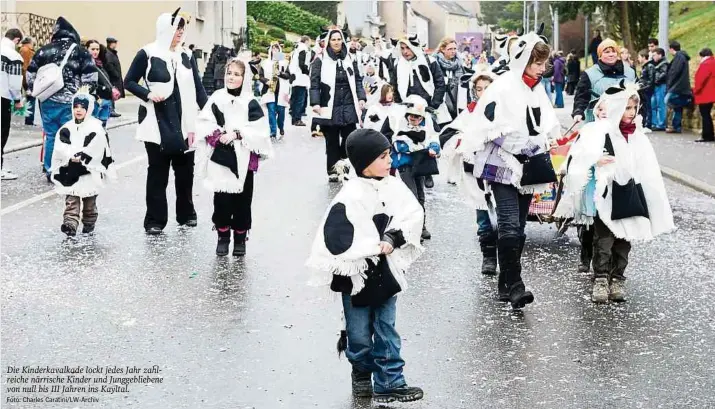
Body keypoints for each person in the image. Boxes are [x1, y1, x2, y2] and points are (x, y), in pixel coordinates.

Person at [306, 128, 425, 404]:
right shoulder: (350, 195)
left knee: (387, 327)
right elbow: (336, 235)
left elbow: (411, 213)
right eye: (383, 156)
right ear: (364, 162)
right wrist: (369, 247)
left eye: (389, 155)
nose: (390, 161)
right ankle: (361, 372)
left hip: (386, 273)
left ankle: (390, 381)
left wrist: (393, 237)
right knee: (359, 332)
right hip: (356, 275)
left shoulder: (394, 186)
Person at [461, 25, 561, 308]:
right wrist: (525, 144)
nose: (542, 69)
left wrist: (547, 140)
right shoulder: (503, 86)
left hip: (530, 167)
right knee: (508, 223)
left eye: (543, 64)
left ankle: (506, 283)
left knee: (518, 225)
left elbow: (545, 124)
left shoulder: (536, 90)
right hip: (502, 164)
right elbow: (493, 127)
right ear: (523, 60)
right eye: (537, 63)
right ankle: (516, 285)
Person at [555, 83, 674, 303]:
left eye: (634, 108)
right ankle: (601, 278)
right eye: (627, 107)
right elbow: (579, 156)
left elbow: (647, 167)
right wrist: (595, 161)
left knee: (625, 238)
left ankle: (618, 277)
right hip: (606, 193)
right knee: (604, 238)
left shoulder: (638, 136)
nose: (631, 113)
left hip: (630, 193)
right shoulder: (601, 132)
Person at [123, 8, 208, 235]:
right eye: (175, 28)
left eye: (182, 28)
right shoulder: (147, 53)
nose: (180, 32)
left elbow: (198, 88)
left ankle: (186, 214)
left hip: (186, 122)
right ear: (164, 29)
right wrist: (147, 94)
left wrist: (212, 112)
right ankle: (155, 220)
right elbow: (129, 81)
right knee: (158, 173)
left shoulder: (186, 55)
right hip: (156, 121)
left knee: (185, 173)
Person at [194, 57, 274, 256]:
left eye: (237, 74)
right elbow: (204, 121)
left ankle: (240, 236)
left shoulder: (250, 102)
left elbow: (261, 130)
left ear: (244, 78)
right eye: (229, 73)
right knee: (221, 199)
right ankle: (222, 235)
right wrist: (217, 136)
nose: (232, 77)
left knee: (242, 201)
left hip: (243, 159)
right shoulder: (216, 98)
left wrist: (238, 134)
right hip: (221, 157)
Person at [571, 38, 636, 273]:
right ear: (599, 55)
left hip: (621, 134)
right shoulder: (589, 74)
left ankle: (613, 262)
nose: (610, 54)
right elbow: (581, 96)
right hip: (595, 132)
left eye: (613, 50)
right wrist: (579, 112)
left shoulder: (629, 71)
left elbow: (637, 100)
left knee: (618, 193)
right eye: (605, 51)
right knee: (593, 201)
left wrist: (638, 118)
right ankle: (587, 250)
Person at [439, 70, 498, 275]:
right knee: (483, 217)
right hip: (475, 173)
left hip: (501, 172)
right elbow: (448, 134)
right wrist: (465, 141)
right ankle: (489, 257)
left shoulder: (505, 111)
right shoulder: (469, 113)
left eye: (487, 88)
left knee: (504, 218)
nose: (483, 93)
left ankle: (507, 259)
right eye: (479, 89)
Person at [26, 17, 97, 181]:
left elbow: (30, 75)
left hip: (47, 100)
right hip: (71, 101)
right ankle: (68, 168)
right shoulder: (79, 51)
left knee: (51, 135)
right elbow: (91, 77)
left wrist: (35, 91)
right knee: (71, 135)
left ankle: (51, 169)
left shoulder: (44, 50)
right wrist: (85, 96)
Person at [49, 87, 114, 236]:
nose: (78, 110)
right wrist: (69, 155)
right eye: (76, 107)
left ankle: (89, 223)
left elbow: (100, 147)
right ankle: (70, 224)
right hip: (71, 170)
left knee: (89, 201)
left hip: (90, 171)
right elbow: (60, 146)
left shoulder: (96, 128)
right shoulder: (67, 128)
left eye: (82, 107)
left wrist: (85, 155)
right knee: (72, 198)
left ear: (89, 109)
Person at [310, 27, 366, 183]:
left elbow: (358, 80)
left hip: (349, 103)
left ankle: (345, 167)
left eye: (338, 39)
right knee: (332, 141)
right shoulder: (320, 60)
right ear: (328, 41)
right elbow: (314, 83)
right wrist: (315, 102)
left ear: (343, 41)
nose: (336, 42)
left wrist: (361, 97)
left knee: (349, 139)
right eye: (333, 39)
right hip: (330, 105)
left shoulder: (349, 58)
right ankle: (333, 171)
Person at [390, 35, 446, 189]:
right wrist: (398, 103)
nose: (405, 51)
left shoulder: (429, 62)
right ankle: (406, 168)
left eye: (408, 47)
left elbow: (440, 83)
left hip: (425, 107)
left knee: (426, 137)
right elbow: (394, 84)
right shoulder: (398, 64)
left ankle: (426, 171)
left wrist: (433, 104)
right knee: (407, 136)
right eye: (402, 48)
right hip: (406, 108)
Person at [383, 95, 440, 242]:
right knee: (412, 196)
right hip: (405, 165)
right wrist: (421, 147)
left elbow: (433, 139)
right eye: (412, 116)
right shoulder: (399, 126)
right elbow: (399, 145)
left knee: (420, 196)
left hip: (419, 164)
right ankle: (411, 229)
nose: (415, 119)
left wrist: (433, 147)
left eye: (418, 117)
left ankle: (421, 226)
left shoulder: (425, 127)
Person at [1, 28, 24, 181]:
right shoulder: (13, 56)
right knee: (1, 133)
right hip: (2, 97)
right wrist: (17, 100)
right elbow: (15, 84)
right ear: (16, 40)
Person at [260, 42, 290, 139]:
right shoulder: (265, 63)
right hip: (269, 91)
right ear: (270, 50)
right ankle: (273, 131)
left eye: (277, 48)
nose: (275, 50)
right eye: (273, 48)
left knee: (281, 112)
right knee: (271, 111)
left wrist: (280, 73)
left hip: (282, 91)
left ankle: (280, 127)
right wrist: (266, 81)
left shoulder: (284, 63)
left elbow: (288, 76)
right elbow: (259, 76)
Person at [433, 37, 465, 123]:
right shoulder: (434, 62)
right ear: (443, 49)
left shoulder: (459, 63)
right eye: (450, 49)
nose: (453, 51)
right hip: (440, 101)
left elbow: (463, 82)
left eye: (455, 48)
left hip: (456, 100)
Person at [85, 40, 114, 128]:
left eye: (97, 49)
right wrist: (104, 88)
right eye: (92, 49)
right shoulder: (86, 63)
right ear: (86, 49)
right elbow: (88, 84)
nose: (95, 51)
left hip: (105, 99)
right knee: (94, 127)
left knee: (103, 127)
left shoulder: (99, 62)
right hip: (96, 99)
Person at [665, 41, 692, 134]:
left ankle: (686, 101)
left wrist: (669, 84)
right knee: (677, 108)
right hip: (680, 85)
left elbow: (674, 72)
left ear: (672, 49)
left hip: (678, 86)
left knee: (667, 100)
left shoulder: (679, 57)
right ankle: (676, 126)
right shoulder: (681, 57)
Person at [693, 48, 715, 142]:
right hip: (711, 93)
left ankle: (707, 135)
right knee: (707, 114)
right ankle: (710, 134)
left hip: (705, 94)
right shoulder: (713, 62)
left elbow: (700, 80)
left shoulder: (705, 64)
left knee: (705, 115)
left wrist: (695, 91)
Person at [289, 36, 311, 126]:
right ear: (306, 41)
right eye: (309, 42)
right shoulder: (303, 48)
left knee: (294, 99)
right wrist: (307, 72)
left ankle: (294, 118)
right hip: (300, 77)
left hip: (294, 76)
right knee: (300, 100)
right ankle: (297, 119)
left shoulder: (296, 48)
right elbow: (302, 63)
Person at [104, 37, 124, 118]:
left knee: (113, 93)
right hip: (112, 78)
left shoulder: (112, 53)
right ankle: (111, 110)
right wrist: (115, 74)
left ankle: (112, 109)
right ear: (110, 43)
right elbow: (109, 66)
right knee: (111, 93)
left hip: (114, 77)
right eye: (114, 43)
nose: (115, 45)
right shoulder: (108, 53)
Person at [18, 36, 35, 126]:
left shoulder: (24, 50)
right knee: (31, 98)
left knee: (31, 98)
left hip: (27, 78)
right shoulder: (26, 51)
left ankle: (29, 120)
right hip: (28, 79)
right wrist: (26, 84)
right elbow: (25, 67)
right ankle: (29, 120)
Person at [651, 48, 669, 131]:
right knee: (655, 104)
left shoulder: (664, 63)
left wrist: (656, 80)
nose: (653, 57)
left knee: (661, 105)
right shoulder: (658, 63)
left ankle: (661, 124)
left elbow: (664, 74)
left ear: (660, 55)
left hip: (661, 85)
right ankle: (656, 123)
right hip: (657, 85)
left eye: (654, 55)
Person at [637, 49, 655, 129]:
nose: (638, 59)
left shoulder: (650, 66)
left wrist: (643, 88)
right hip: (643, 90)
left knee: (648, 107)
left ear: (644, 57)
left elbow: (651, 81)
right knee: (644, 107)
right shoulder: (645, 66)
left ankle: (648, 124)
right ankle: (645, 123)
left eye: (639, 57)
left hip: (647, 91)